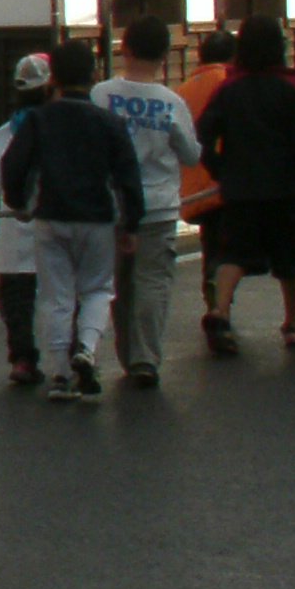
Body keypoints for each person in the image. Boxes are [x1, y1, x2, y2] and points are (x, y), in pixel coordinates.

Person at [0, 41, 143, 400]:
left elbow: (12, 164)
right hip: (96, 217)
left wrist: (18, 201)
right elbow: (128, 175)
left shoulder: (38, 119)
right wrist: (132, 223)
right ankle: (87, 349)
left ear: (54, 79)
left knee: (56, 296)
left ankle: (61, 374)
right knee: (96, 289)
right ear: (93, 76)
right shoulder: (108, 121)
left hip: (50, 216)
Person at [195, 15, 295, 350]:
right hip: (288, 188)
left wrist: (219, 168)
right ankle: (292, 322)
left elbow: (200, 135)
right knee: (290, 260)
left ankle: (221, 310)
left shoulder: (229, 88)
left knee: (234, 254)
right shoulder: (294, 86)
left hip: (240, 187)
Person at [93, 20, 206, 382]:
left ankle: (124, 355)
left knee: (116, 286)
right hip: (157, 205)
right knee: (152, 282)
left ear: (123, 49)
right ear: (164, 55)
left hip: (110, 205)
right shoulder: (171, 102)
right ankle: (145, 358)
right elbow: (190, 155)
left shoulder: (100, 95)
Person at [0, 52, 53, 388]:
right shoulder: (59, 125)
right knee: (64, 295)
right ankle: (70, 357)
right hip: (57, 219)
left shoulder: (6, 131)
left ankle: (22, 358)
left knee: (17, 299)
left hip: (13, 226)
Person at [174, 25, 238, 347]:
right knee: (231, 250)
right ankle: (221, 310)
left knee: (211, 245)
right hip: (228, 181)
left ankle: (213, 303)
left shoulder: (183, 89)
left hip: (195, 187)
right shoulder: (232, 82)